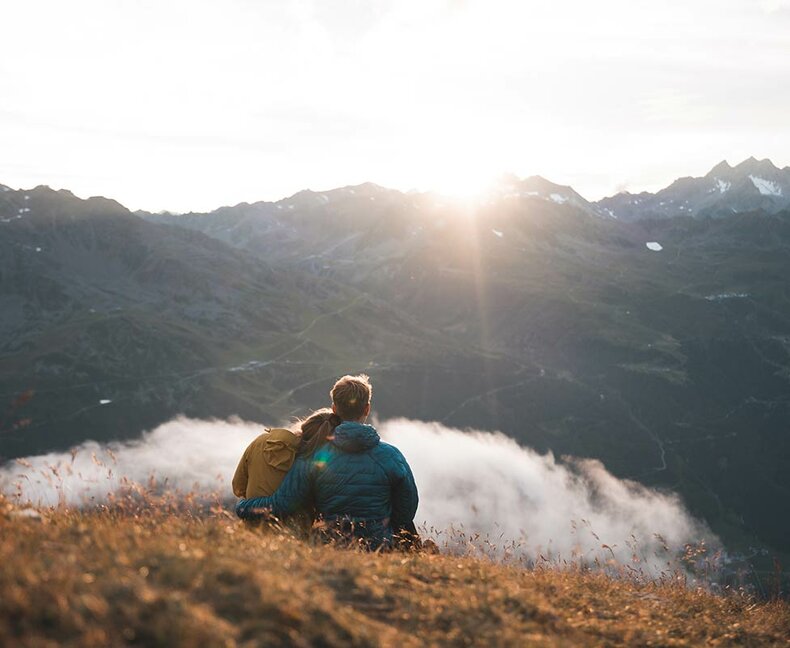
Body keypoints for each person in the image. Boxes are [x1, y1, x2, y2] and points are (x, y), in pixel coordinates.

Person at [235, 374, 419, 549]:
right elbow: (406, 512)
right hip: (380, 549)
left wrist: (243, 506)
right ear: (367, 409)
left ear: (334, 408)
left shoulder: (315, 457)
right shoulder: (392, 456)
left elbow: (282, 504)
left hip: (331, 549)